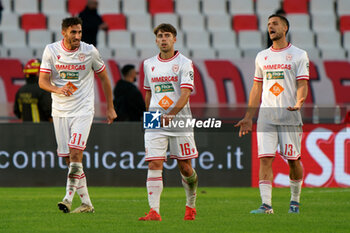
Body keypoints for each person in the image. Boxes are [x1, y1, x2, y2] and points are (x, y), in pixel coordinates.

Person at [39, 17, 117, 214]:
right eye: (73, 32)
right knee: (69, 160)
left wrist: (110, 107)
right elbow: (42, 81)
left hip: (83, 110)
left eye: (80, 32)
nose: (77, 36)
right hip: (60, 111)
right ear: (63, 32)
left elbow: (105, 79)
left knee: (75, 153)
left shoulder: (89, 51)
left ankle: (67, 198)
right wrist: (57, 89)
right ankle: (87, 204)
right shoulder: (51, 50)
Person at [235, 14, 309, 214]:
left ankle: (295, 201)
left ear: (285, 28)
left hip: (289, 115)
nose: (270, 27)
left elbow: (303, 83)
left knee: (293, 160)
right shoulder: (262, 56)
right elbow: (256, 89)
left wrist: (299, 101)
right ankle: (266, 205)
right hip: (266, 116)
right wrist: (249, 116)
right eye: (268, 24)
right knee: (265, 159)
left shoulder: (299, 54)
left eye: (275, 23)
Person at [139, 23, 198, 221]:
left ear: (174, 39)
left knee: (185, 167)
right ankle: (154, 211)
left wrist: (171, 114)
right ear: (156, 40)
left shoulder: (184, 63)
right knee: (154, 163)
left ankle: (191, 205)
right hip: (155, 119)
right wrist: (149, 116)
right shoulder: (148, 64)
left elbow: (185, 94)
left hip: (179, 120)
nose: (163, 39)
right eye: (160, 36)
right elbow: (148, 92)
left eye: (167, 35)